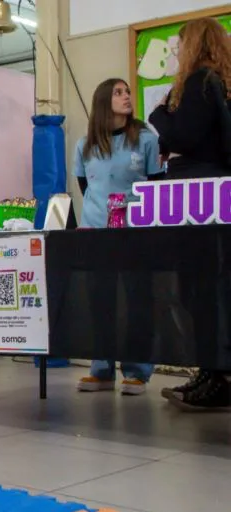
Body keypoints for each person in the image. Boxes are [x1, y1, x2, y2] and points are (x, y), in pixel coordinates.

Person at [149, 17, 231, 410]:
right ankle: (213, 372)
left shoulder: (200, 82)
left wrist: (159, 115)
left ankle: (216, 374)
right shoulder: (220, 83)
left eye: (179, 44)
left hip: (197, 198)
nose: (175, 52)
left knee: (199, 291)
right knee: (212, 290)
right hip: (213, 194)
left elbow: (184, 137)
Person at [73, 78, 163, 395]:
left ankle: (138, 370)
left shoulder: (147, 140)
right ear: (103, 101)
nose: (126, 97)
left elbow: (156, 185)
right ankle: (102, 370)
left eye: (128, 92)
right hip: (96, 234)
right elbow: (86, 188)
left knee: (137, 301)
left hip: (135, 234)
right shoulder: (84, 146)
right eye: (119, 93)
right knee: (100, 302)